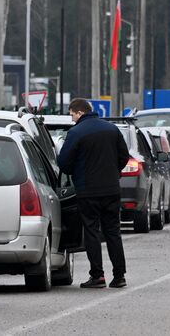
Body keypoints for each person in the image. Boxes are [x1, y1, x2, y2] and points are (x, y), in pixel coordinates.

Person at [57, 98, 130, 288]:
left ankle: (97, 276)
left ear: (79, 112)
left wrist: (77, 172)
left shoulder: (76, 132)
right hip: (111, 189)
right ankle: (119, 275)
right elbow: (124, 156)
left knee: (91, 231)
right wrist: (113, 172)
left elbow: (63, 161)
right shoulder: (111, 129)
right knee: (113, 231)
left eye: (72, 114)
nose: (71, 118)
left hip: (87, 191)